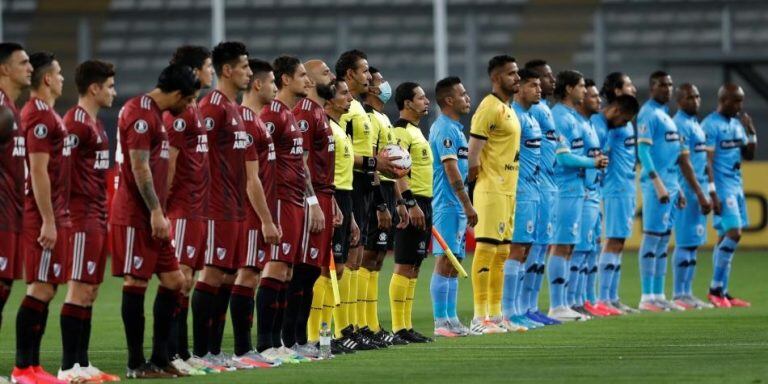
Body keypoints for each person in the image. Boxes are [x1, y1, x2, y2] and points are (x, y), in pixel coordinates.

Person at [110, 64, 200, 378]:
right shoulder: (139, 114)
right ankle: (136, 364)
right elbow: (139, 167)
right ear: (177, 94)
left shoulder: (155, 114)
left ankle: (161, 357)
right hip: (136, 215)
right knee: (136, 282)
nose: (189, 106)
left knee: (176, 281)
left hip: (152, 215)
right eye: (188, 100)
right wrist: (156, 211)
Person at [58, 59, 120, 382]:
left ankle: (83, 364)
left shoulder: (94, 124)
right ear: (94, 88)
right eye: (110, 86)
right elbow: (63, 174)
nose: (114, 92)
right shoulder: (75, 123)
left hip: (97, 215)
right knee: (78, 289)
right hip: (80, 218)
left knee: (91, 291)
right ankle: (68, 367)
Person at [192, 41, 252, 369]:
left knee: (228, 277)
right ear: (227, 70)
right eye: (243, 66)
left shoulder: (235, 109)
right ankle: (201, 353)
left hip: (235, 208)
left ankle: (214, 352)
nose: (247, 72)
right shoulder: (211, 106)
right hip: (215, 206)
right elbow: (197, 156)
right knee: (212, 275)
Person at [14, 51, 72, 384]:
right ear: (47, 78)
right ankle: (23, 368)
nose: (63, 78)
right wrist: (48, 219)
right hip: (40, 216)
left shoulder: (49, 115)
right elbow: (37, 171)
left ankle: (33, 368)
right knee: (39, 287)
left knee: (47, 288)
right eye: (59, 73)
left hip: (54, 213)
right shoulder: (37, 115)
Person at [257, 55, 320, 363]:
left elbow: (301, 166)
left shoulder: (290, 115)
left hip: (295, 200)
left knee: (288, 271)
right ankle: (264, 343)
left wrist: (311, 201)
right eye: (302, 75)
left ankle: (279, 342)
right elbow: (254, 159)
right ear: (285, 80)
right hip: (279, 199)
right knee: (277, 268)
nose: (308, 80)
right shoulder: (271, 116)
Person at [161, 45, 216, 375]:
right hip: (181, 209)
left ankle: (181, 352)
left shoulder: (193, 110)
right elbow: (169, 166)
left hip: (198, 209)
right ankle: (168, 353)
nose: (211, 71)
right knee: (178, 281)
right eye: (208, 66)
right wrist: (165, 209)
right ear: (194, 72)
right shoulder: (179, 114)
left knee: (189, 281)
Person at [637, 71, 708, 312]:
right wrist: (657, 182)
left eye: (669, 84)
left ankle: (658, 294)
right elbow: (644, 152)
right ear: (652, 87)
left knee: (664, 240)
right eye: (662, 85)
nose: (667, 88)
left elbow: (675, 156)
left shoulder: (664, 115)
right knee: (652, 238)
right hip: (656, 185)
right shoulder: (648, 113)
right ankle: (647, 296)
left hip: (671, 185)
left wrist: (677, 188)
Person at [230, 58, 282, 368]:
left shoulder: (256, 120)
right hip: (249, 212)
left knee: (250, 274)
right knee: (247, 274)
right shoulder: (246, 122)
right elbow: (250, 180)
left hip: (260, 210)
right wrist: (266, 219)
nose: (276, 88)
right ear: (258, 84)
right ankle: (241, 348)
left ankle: (246, 348)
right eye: (273, 82)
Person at [547, 70, 607, 322]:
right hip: (564, 188)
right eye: (582, 86)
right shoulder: (560, 116)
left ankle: (568, 302)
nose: (585, 90)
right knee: (561, 246)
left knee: (571, 247)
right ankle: (557, 305)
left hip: (577, 188)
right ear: (570, 89)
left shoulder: (573, 117)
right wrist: (593, 163)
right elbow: (563, 157)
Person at [285, 59, 335, 358]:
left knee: (311, 271)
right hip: (310, 199)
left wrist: (334, 205)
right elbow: (299, 162)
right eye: (325, 72)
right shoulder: (304, 113)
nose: (332, 77)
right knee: (301, 270)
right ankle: (291, 340)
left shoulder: (319, 112)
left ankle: (298, 340)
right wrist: (313, 200)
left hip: (325, 197)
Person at [467, 55, 521, 334]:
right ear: (496, 78)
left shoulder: (508, 108)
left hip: (508, 189)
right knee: (487, 250)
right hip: (491, 189)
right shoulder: (489, 108)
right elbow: (473, 157)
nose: (518, 78)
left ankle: (496, 315)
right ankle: (479, 318)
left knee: (502, 253)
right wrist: (479, 186)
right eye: (512, 73)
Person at [428, 76, 477, 337]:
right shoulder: (444, 128)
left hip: (455, 205)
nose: (467, 98)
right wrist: (467, 204)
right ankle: (440, 321)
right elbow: (450, 169)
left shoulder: (455, 129)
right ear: (449, 100)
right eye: (463, 94)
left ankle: (452, 319)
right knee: (445, 260)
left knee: (455, 260)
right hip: (447, 204)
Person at [703, 83, 756, 308]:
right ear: (723, 100)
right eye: (736, 101)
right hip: (722, 188)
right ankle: (715, 289)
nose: (740, 105)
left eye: (741, 100)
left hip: (737, 185)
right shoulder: (710, 125)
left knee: (725, 236)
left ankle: (722, 292)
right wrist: (712, 192)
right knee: (734, 233)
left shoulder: (736, 124)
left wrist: (751, 133)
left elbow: (749, 155)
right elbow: (708, 162)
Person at [390, 81, 433, 343]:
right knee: (404, 262)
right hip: (413, 201)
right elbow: (397, 170)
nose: (426, 101)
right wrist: (409, 203)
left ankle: (406, 325)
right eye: (421, 97)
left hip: (424, 201)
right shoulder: (401, 131)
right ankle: (398, 328)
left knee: (415, 265)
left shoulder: (417, 131)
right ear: (407, 103)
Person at [594, 72, 640, 315]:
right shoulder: (608, 123)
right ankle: (603, 298)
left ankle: (612, 297)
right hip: (615, 187)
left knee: (619, 241)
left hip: (627, 186)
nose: (633, 87)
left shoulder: (625, 119)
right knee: (613, 240)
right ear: (616, 90)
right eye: (628, 84)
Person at [321, 79, 362, 353]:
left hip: (344, 199)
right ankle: (320, 336)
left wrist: (352, 218)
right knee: (327, 269)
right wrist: (333, 202)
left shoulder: (340, 129)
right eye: (344, 93)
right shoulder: (325, 128)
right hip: (333, 197)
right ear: (329, 100)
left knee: (340, 267)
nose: (349, 98)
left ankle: (335, 331)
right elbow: (325, 171)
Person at [503, 69, 544, 331]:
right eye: (532, 85)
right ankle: (508, 311)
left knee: (526, 250)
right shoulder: (516, 116)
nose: (538, 90)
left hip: (533, 189)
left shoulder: (531, 116)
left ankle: (518, 309)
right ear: (519, 89)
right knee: (516, 250)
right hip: (519, 191)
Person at [360, 67, 398, 346]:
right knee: (366, 257)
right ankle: (360, 323)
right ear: (370, 88)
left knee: (376, 259)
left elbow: (392, 166)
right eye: (380, 81)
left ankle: (371, 323)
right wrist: (380, 203)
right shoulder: (367, 117)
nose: (385, 85)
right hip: (374, 190)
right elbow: (373, 161)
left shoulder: (384, 117)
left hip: (387, 187)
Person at [520, 59, 560, 325]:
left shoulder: (544, 110)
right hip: (532, 186)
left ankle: (531, 306)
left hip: (546, 185)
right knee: (526, 250)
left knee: (539, 249)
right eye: (545, 77)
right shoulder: (530, 112)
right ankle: (518, 308)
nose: (551, 81)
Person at [0, 43, 31, 382]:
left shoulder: (11, 108)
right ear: (4, 69)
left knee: (4, 287)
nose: (29, 68)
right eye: (22, 63)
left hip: (10, 215)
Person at [670, 83, 715, 310]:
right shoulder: (678, 124)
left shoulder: (694, 123)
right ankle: (679, 293)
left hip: (700, 188)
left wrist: (709, 190)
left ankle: (687, 292)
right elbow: (684, 162)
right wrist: (699, 192)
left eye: (697, 96)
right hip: (688, 190)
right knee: (685, 242)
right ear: (679, 101)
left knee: (694, 244)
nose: (696, 101)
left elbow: (702, 160)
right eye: (690, 97)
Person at [568, 79, 603, 319]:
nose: (597, 99)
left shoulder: (589, 124)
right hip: (576, 191)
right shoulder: (572, 122)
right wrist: (593, 163)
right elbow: (565, 158)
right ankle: (571, 301)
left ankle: (583, 299)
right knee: (578, 249)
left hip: (591, 191)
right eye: (592, 95)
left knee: (589, 248)